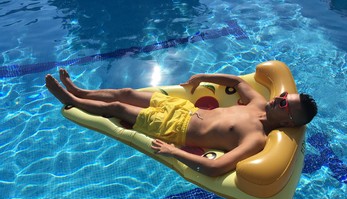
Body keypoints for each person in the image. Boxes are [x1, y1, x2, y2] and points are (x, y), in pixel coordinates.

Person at [45, 69, 317, 177]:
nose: (277, 99)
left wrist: (174, 151)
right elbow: (237, 83)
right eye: (282, 96)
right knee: (127, 93)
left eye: (283, 103)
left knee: (117, 107)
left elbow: (216, 168)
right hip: (182, 107)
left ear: (289, 120)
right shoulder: (258, 103)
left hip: (174, 128)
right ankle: (81, 91)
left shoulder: (256, 139)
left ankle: (71, 100)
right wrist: (202, 76)